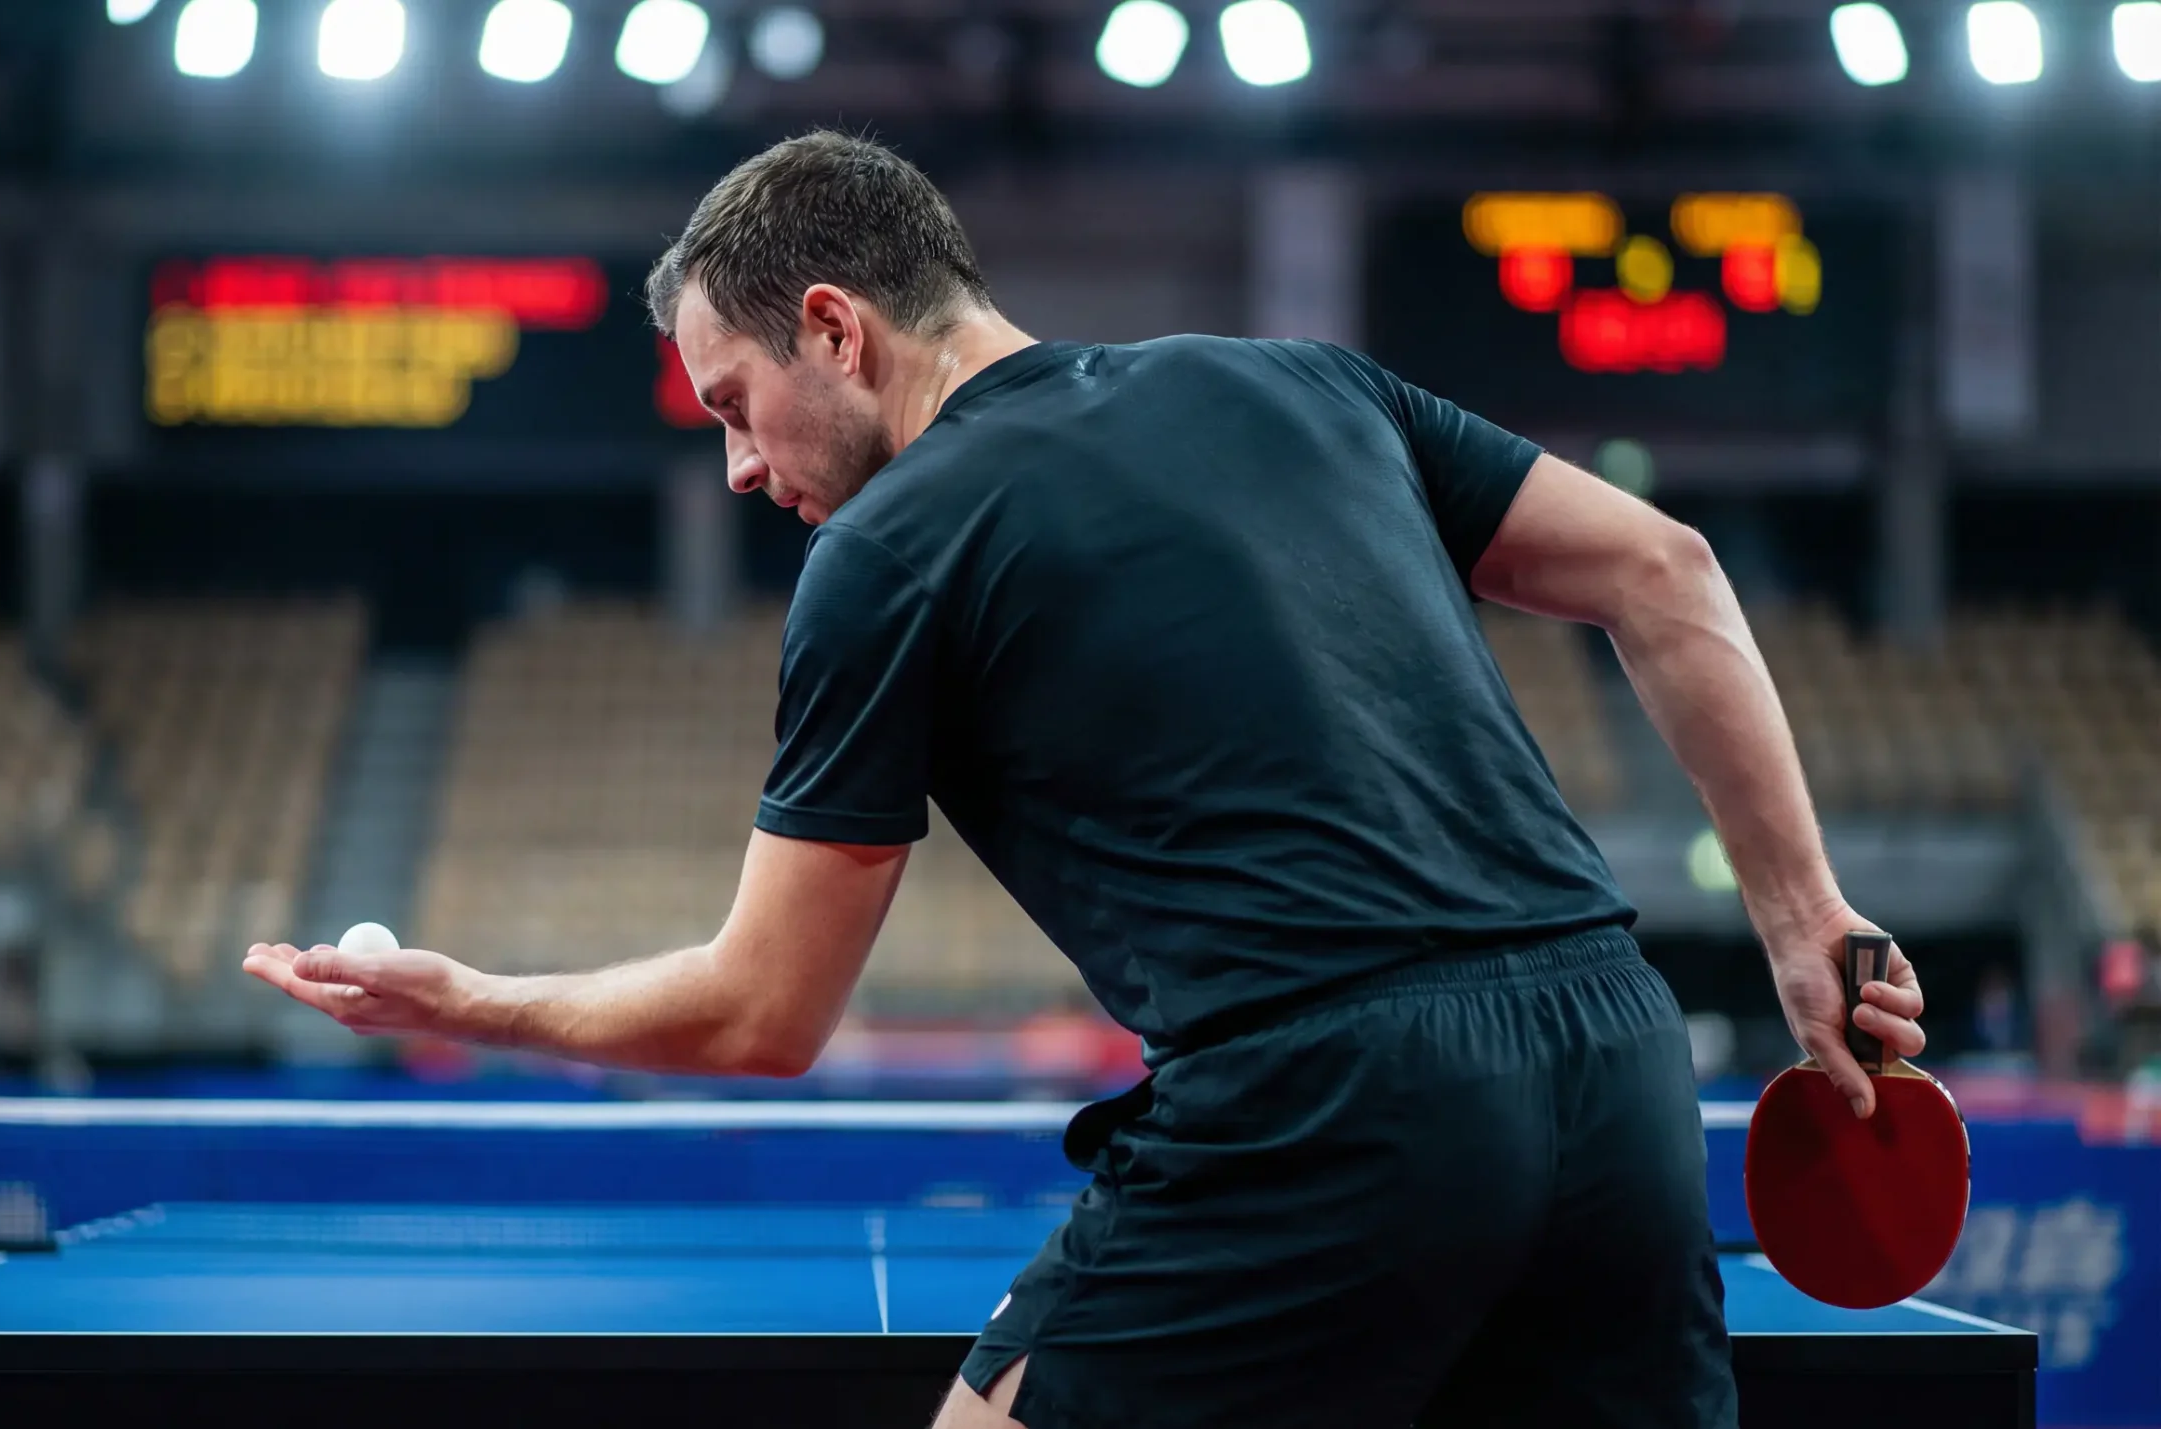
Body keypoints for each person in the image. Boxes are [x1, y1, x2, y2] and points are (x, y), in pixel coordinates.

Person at [245, 132, 1928, 1428]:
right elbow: (1670, 568)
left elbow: (762, 1013)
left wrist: (464, 997)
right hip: (1615, 1062)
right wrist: (1803, 918)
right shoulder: (1305, 382)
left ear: (836, 327)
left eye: (737, 404)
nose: (743, 463)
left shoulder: (889, 546)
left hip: (1335, 1109)